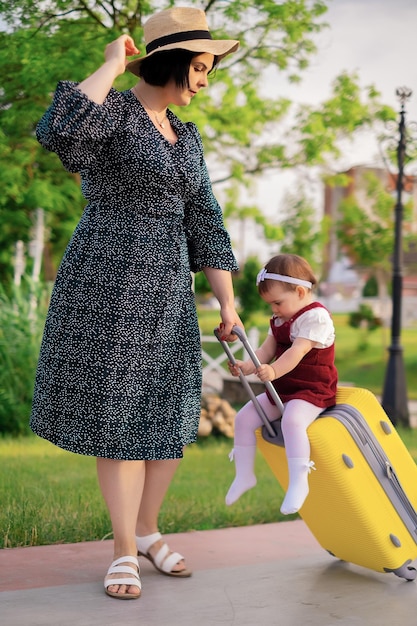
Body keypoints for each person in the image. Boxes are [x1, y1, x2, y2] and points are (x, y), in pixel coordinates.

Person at [30, 7, 242, 600]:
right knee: (120, 418)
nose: (204, 81)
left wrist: (226, 305)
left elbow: (207, 220)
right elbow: (58, 132)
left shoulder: (188, 135)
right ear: (170, 61)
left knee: (170, 418)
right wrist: (111, 64)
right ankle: (123, 548)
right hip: (110, 280)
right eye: (199, 68)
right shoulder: (116, 113)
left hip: (170, 289)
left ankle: (147, 530)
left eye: (208, 70)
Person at [225, 254, 338, 515]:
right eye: (270, 304)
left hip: (311, 390)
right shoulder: (279, 319)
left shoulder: (315, 317)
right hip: (283, 389)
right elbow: (266, 351)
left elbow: (296, 352)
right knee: (244, 418)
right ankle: (244, 475)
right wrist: (248, 366)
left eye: (277, 302)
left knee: (292, 421)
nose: (274, 309)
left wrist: (274, 370)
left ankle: (299, 481)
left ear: (300, 291)